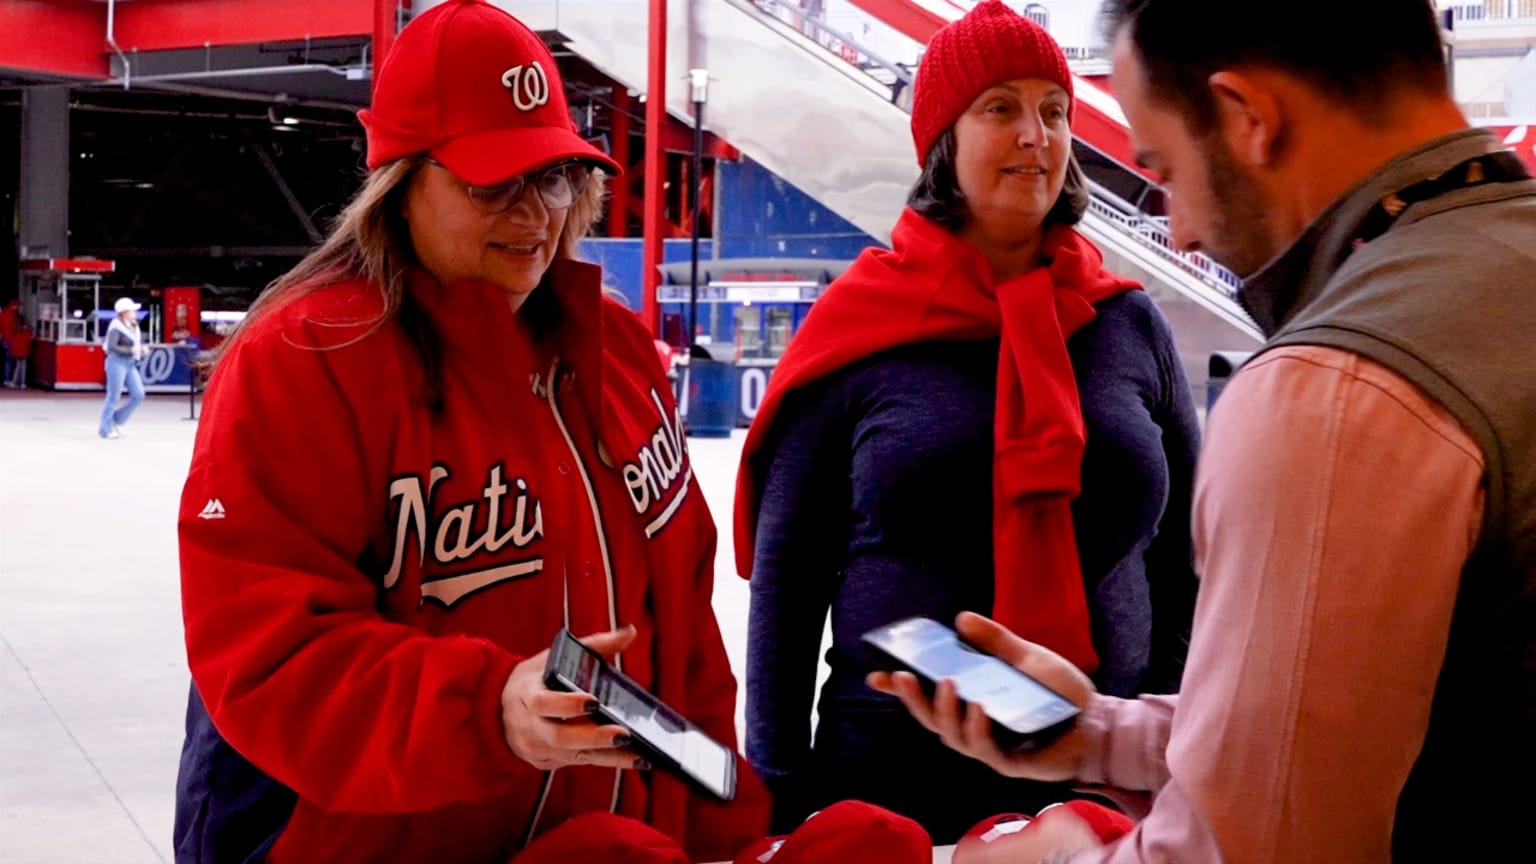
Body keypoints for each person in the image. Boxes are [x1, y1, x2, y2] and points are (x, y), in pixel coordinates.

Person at [874, 0, 1536, 861]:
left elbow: (1255, 843)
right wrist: (1103, 737)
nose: (1179, 229)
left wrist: (1052, 850)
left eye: (1168, 168)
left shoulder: (1333, 394)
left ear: (1247, 118)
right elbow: (1371, 704)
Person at [172, 2, 769, 862]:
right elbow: (271, 655)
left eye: (554, 175)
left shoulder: (620, 354)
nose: (534, 213)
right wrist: (489, 711)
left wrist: (722, 825)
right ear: (400, 184)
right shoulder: (304, 360)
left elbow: (683, 636)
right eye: (492, 181)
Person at [734, 0, 1200, 843]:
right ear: (942, 140)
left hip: (1106, 781)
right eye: (1001, 108)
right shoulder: (860, 328)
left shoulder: (1130, 325)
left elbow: (1189, 561)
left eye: (1054, 111)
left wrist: (1165, 749)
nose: (1038, 135)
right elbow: (788, 584)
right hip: (888, 785)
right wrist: (779, 790)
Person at [100, 297, 147, 438]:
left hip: (130, 363)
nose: (135, 312)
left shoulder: (133, 326)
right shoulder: (116, 326)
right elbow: (112, 347)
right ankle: (105, 429)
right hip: (116, 362)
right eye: (132, 310)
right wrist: (132, 350)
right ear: (124, 312)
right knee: (113, 396)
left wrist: (138, 350)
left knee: (139, 394)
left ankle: (118, 419)